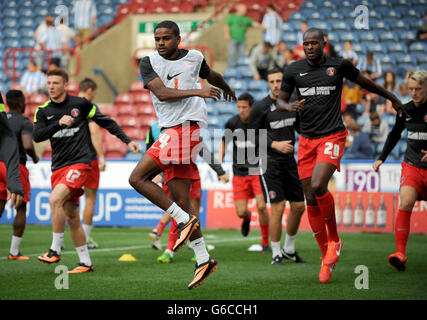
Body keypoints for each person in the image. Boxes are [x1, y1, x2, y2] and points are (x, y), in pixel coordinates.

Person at [276, 27, 404, 283]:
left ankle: (335, 239)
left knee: (319, 184)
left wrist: (391, 96)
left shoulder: (339, 66)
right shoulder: (293, 69)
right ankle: (326, 257)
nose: (310, 47)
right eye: (306, 44)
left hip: (332, 135)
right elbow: (281, 100)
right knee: (310, 198)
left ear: (324, 44)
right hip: (307, 141)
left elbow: (366, 83)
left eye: (314, 43)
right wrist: (288, 106)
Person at [130, 20, 235, 289]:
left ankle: (182, 220)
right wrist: (198, 91)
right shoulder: (148, 62)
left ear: (178, 38)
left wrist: (227, 88)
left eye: (166, 38)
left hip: (186, 127)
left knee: (137, 178)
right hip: (171, 127)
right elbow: (162, 94)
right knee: (181, 199)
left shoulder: (196, 57)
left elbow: (212, 76)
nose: (161, 43)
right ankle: (203, 259)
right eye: (157, 39)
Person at [33, 69, 139, 273]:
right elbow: (37, 136)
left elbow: (105, 121)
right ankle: (85, 262)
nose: (51, 87)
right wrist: (58, 123)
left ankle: (55, 250)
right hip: (58, 168)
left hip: (80, 163)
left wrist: (127, 140)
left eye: (56, 83)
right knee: (71, 214)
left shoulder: (80, 105)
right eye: (49, 83)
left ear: (65, 85)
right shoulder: (42, 111)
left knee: (55, 199)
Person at [146, 120, 229, 262]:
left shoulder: (162, 126)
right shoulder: (179, 126)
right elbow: (151, 152)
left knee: (179, 211)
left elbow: (149, 152)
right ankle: (176, 249)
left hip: (174, 174)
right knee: (187, 212)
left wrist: (155, 174)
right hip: (182, 175)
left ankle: (181, 246)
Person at [249, 69, 307, 265]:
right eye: (272, 81)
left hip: (290, 161)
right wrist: (275, 145)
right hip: (269, 162)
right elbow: (251, 135)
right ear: (267, 84)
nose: (276, 84)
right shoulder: (260, 107)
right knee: (278, 207)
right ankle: (276, 253)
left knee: (299, 206)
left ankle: (289, 249)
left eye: (279, 81)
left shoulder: (291, 105)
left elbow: (301, 129)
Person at [373, 69, 427, 272]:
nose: (414, 93)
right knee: (405, 201)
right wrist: (381, 158)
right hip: (412, 165)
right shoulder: (405, 110)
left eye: (418, 89)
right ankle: (400, 253)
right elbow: (395, 134)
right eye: (411, 89)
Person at [219, 93, 270, 252]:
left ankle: (265, 242)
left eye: (244, 107)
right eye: (238, 107)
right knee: (241, 212)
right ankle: (247, 218)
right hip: (239, 172)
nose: (241, 110)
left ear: (251, 107)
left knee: (262, 206)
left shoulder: (260, 123)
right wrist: (219, 167)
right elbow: (223, 142)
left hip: (257, 171)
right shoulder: (232, 123)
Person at [0, 90, 37, 260]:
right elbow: (27, 145)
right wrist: (35, 157)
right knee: (20, 207)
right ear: (20, 103)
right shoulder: (24, 122)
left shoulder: (2, 119)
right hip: (15, 165)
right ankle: (14, 251)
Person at [78, 78, 105, 249]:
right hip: (88, 158)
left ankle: (57, 241)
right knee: (90, 198)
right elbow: (94, 132)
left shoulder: (68, 105)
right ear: (89, 90)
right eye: (94, 92)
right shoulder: (89, 107)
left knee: (65, 199)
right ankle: (85, 239)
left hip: (68, 158)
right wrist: (101, 156)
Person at [224, 4, 262, 68]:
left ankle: (240, 68)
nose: (245, 11)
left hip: (242, 40)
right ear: (239, 9)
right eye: (244, 9)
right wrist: (227, 34)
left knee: (241, 55)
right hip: (233, 39)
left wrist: (262, 26)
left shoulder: (246, 18)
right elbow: (226, 26)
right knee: (231, 54)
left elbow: (254, 24)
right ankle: (230, 69)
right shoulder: (232, 17)